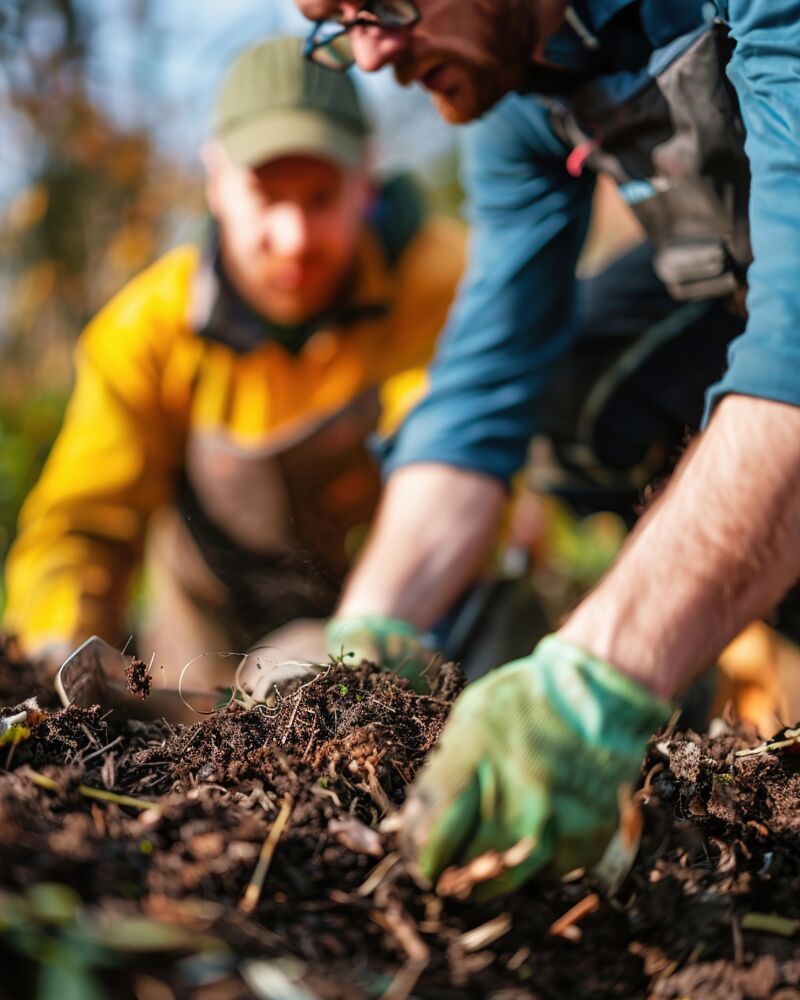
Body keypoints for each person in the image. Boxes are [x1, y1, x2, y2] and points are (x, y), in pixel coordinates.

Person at [294, 0, 800, 895]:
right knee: (579, 393)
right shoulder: (521, 76)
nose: (370, 52)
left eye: (378, 3)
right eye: (336, 23)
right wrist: (361, 652)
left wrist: (594, 681)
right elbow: (485, 387)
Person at [3, 35, 465, 689]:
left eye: (321, 198)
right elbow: (81, 525)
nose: (294, 237)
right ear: (216, 181)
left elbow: (460, 463)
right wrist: (59, 645)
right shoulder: (146, 331)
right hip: (194, 667)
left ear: (367, 177)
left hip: (398, 636)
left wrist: (354, 647)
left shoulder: (440, 284)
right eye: (267, 197)